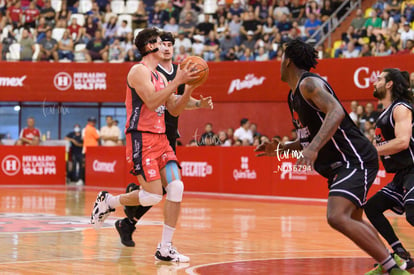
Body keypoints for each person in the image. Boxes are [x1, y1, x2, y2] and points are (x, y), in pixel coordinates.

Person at [254, 39, 409, 275]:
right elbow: (307, 140)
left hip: (354, 158)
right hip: (340, 164)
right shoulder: (293, 95)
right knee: (353, 220)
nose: (279, 61)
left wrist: (314, 148)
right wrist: (281, 148)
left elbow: (335, 111)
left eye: (281, 56)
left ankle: (392, 268)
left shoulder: (310, 84)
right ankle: (390, 263)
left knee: (336, 216)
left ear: (289, 61)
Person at [89, 27, 203, 263]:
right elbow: (151, 102)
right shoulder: (137, 71)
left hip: (162, 139)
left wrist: (189, 87)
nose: (165, 46)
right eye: (160, 42)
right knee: (152, 196)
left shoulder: (161, 77)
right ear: (150, 47)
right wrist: (178, 81)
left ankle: (165, 248)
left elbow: (173, 108)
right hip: (142, 138)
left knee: (176, 187)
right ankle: (109, 201)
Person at [115, 31, 213, 248]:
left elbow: (176, 101)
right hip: (146, 132)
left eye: (170, 44)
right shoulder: (148, 69)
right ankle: (129, 215)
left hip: (168, 133)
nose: (166, 48)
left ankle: (132, 221)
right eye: (163, 44)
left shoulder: (179, 71)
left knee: (171, 188)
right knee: (160, 190)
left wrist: (197, 103)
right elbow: (155, 99)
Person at [364, 68, 414, 273]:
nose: (374, 82)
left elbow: (402, 142)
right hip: (401, 174)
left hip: (413, 169)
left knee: (413, 215)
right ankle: (400, 252)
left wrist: (372, 149)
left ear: (389, 84)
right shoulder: (385, 112)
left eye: (379, 79)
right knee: (372, 207)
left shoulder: (400, 108)